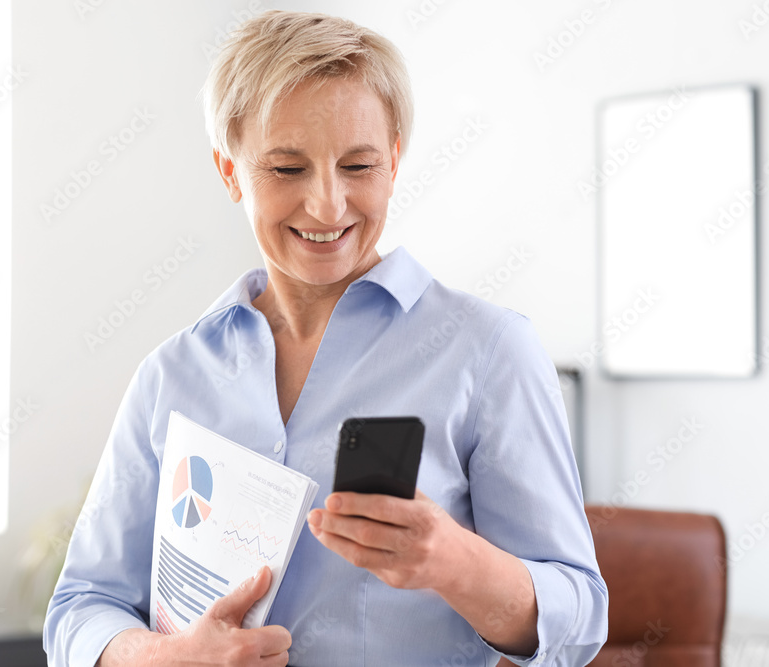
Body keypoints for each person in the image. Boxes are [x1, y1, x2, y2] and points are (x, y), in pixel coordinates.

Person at [43, 10, 607, 667]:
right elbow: (79, 606)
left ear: (394, 161)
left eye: (358, 165)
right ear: (229, 171)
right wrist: (164, 657)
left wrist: (454, 560)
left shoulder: (489, 352)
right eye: (287, 169)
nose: (328, 205)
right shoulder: (171, 374)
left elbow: (581, 617)